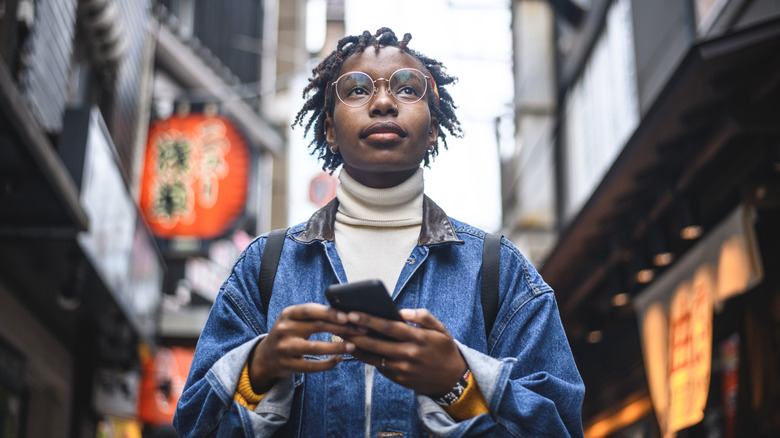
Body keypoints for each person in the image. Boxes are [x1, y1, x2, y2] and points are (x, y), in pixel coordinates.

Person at [174, 28, 585, 437]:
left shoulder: (499, 270)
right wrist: (258, 369)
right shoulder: (265, 266)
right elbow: (194, 425)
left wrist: (458, 385)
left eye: (408, 90)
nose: (384, 101)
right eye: (356, 90)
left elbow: (560, 426)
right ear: (331, 130)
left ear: (433, 130)